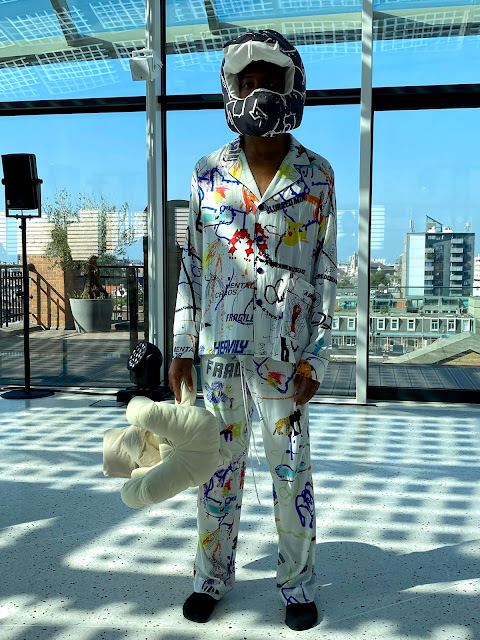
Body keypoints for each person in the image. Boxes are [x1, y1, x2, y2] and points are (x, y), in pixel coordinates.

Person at [168, 29, 337, 632]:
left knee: (291, 473)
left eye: (269, 79)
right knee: (216, 469)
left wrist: (318, 356)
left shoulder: (317, 176)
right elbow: (192, 264)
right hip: (219, 352)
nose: (258, 90)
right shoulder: (207, 172)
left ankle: (298, 585)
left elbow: (326, 268)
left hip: (285, 356)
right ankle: (210, 578)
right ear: (231, 89)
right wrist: (182, 346)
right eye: (248, 80)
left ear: (292, 85)